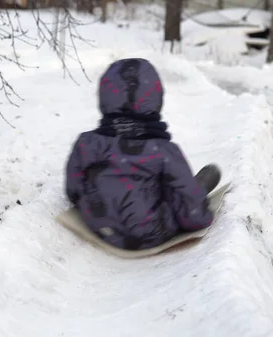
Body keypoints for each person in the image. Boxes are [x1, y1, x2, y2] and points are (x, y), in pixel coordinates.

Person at [64, 58, 221, 250]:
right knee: (185, 191)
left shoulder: (86, 143)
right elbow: (192, 217)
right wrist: (201, 213)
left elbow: (73, 190)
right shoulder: (164, 151)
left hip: (100, 226)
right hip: (150, 233)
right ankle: (201, 185)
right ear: (156, 99)